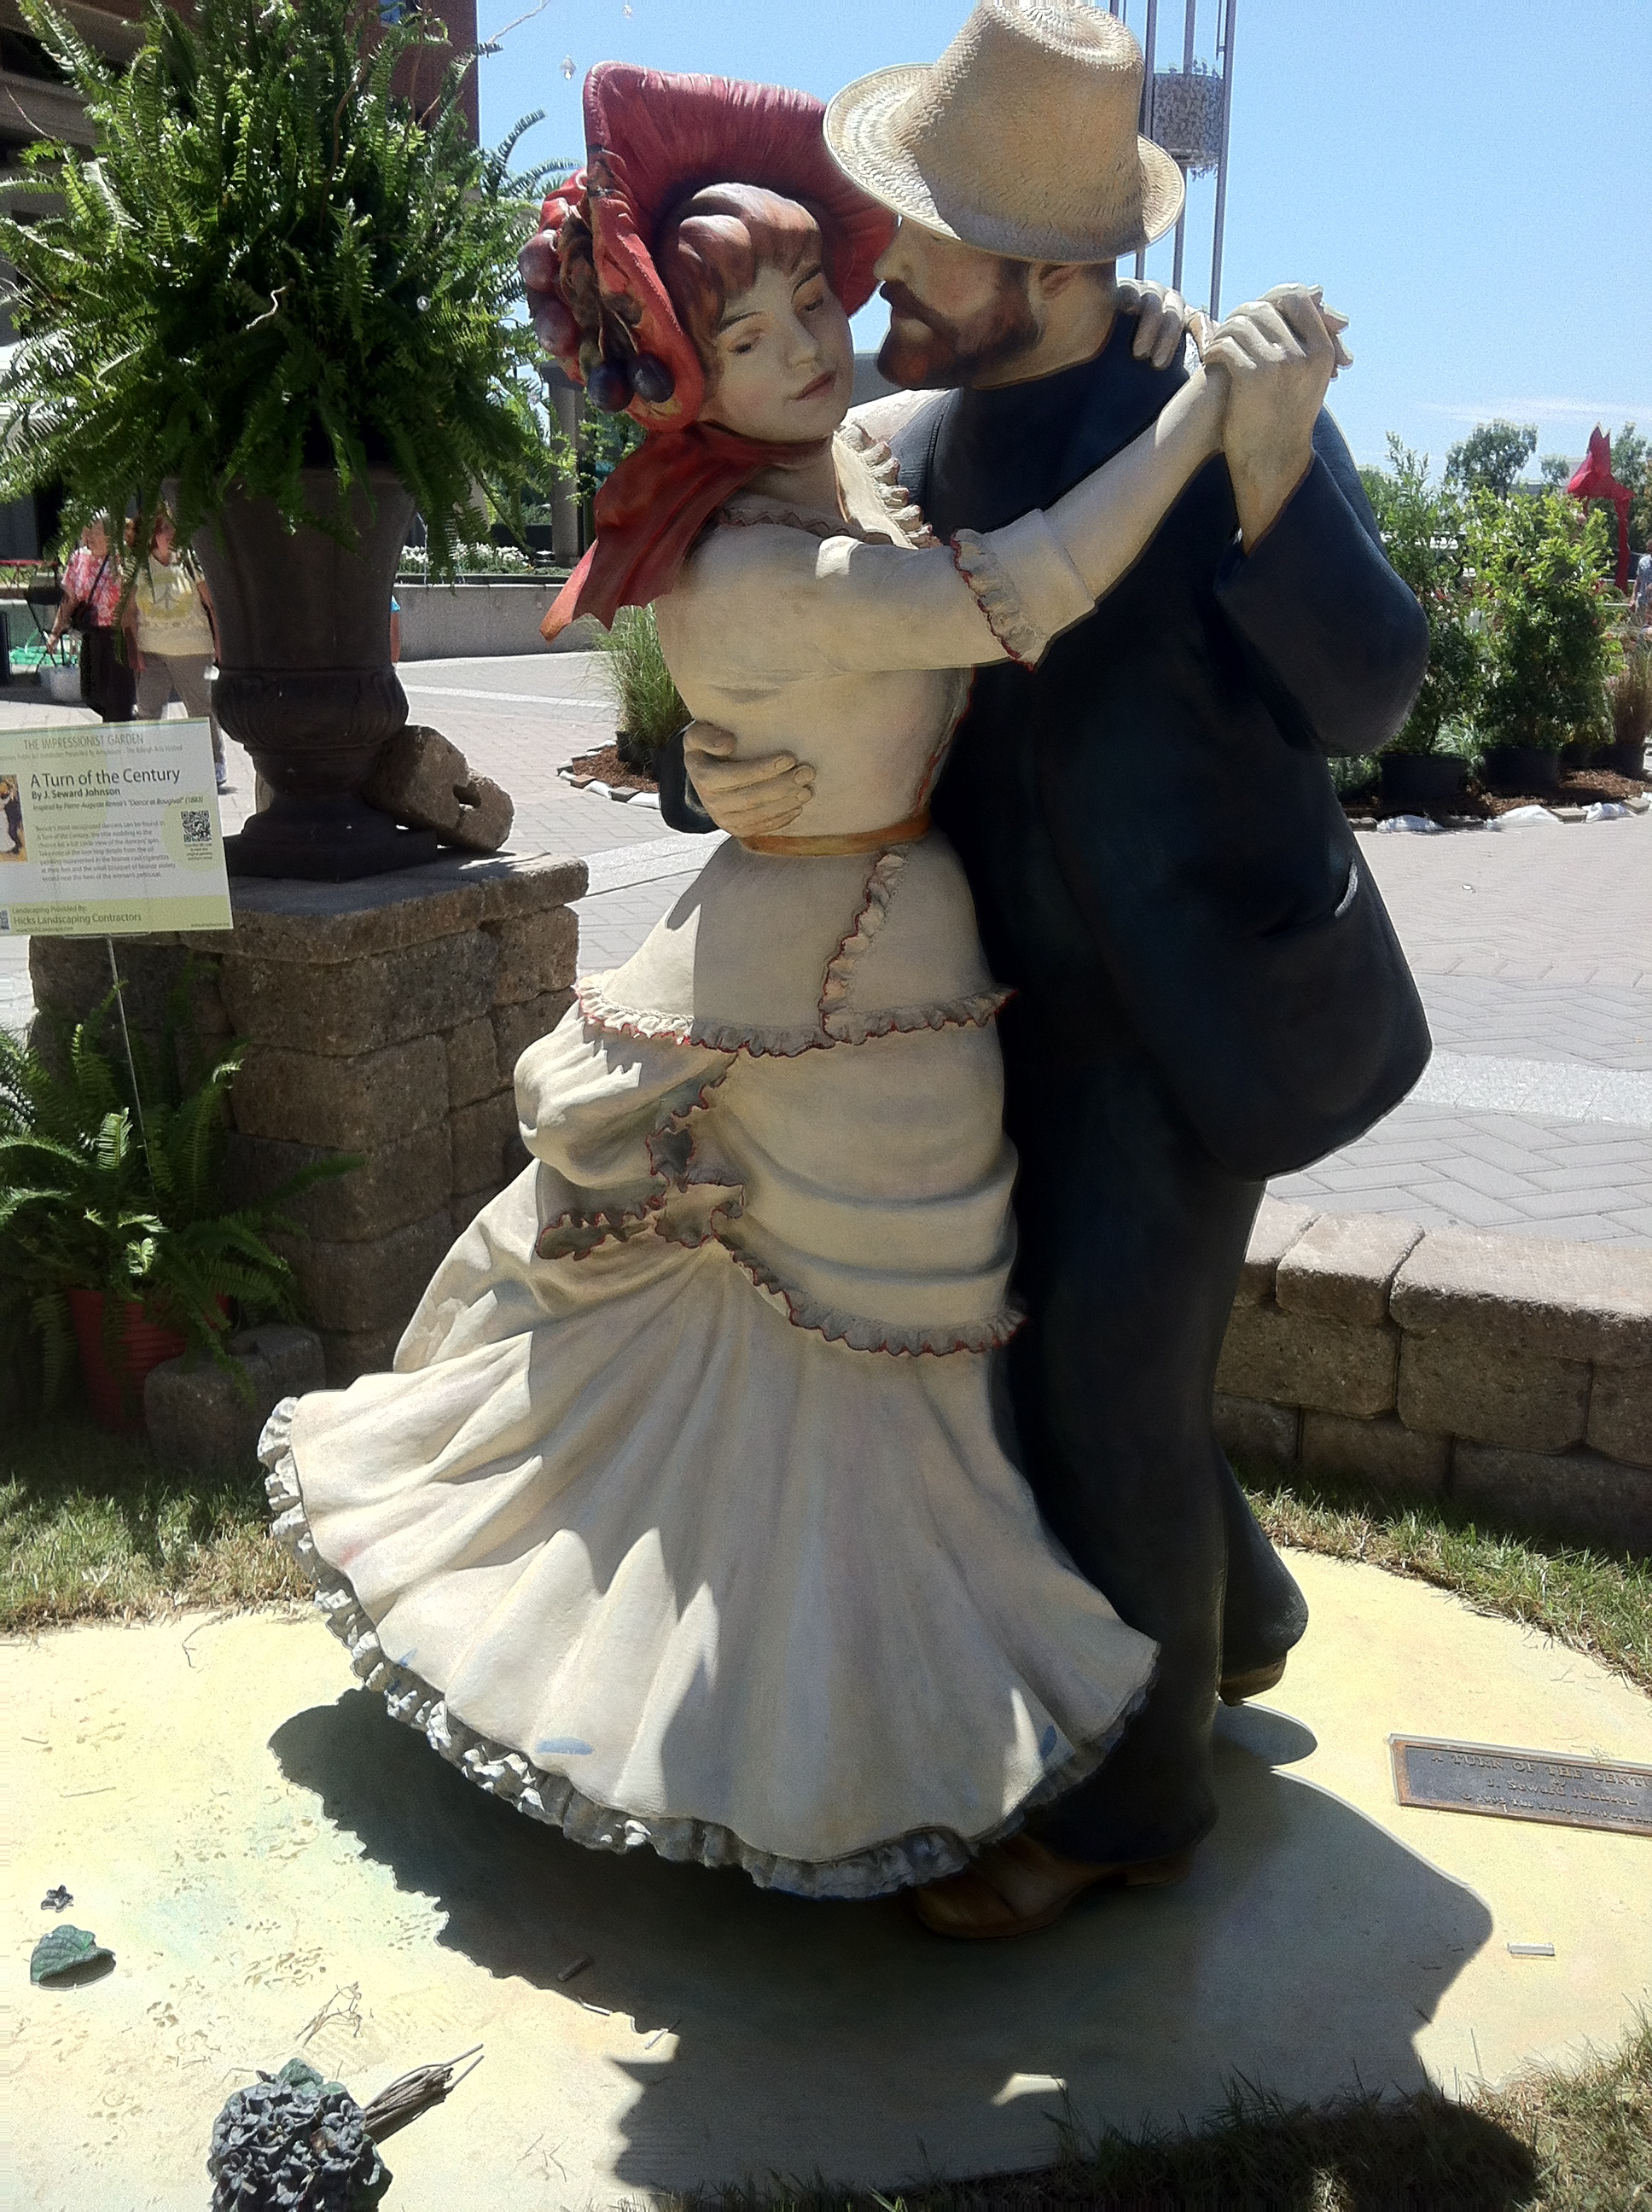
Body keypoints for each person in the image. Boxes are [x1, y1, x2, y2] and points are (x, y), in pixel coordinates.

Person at [262, 64, 1339, 1908]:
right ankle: (863, 1724)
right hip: (846, 970)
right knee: (896, 1350)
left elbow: (1328, 668)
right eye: (751, 334)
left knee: (1007, 1360)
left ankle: (1170, 1655)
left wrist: (1194, 386)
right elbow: (970, 608)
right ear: (682, 375)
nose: (834, 328)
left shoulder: (873, 448)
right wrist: (1189, 427)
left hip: (1047, 977)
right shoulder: (789, 523)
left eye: (824, 297)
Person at [663, 2, 1431, 1936]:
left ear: (1054, 273)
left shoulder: (1218, 422)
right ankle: (1235, 1614)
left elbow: (1369, 694)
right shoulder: (896, 440)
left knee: (1097, 1375)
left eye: (925, 246)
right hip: (964, 1003)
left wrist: (1273, 481)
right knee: (1047, 1361)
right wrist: (712, 762)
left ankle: (1132, 1809)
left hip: (1179, 1021)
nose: (880, 274)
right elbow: (800, 649)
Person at [125, 509, 228, 791]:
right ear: (152, 535)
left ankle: (215, 762)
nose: (172, 535)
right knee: (147, 710)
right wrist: (134, 652)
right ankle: (149, 768)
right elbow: (129, 612)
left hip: (192, 649)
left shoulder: (190, 563)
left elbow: (212, 605)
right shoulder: (138, 567)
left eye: (174, 529)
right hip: (152, 651)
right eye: (165, 530)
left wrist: (220, 645)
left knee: (201, 709)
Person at [47, 520, 135, 724]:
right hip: (91, 635)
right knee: (91, 694)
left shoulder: (124, 559)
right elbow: (69, 599)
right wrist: (55, 632)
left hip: (119, 636)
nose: (87, 539)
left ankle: (119, 733)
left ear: (109, 536)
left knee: (117, 698)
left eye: (93, 533)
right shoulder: (78, 559)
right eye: (84, 533)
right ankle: (116, 724)